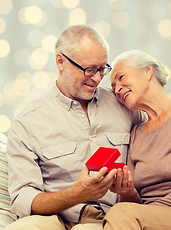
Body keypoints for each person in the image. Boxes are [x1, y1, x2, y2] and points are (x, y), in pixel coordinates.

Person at [5, 26, 145, 230]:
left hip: (110, 218)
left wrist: (128, 190)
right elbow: (23, 199)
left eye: (102, 69)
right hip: (53, 218)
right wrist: (77, 194)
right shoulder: (27, 122)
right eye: (89, 69)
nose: (97, 78)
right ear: (60, 62)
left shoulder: (125, 107)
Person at [103, 49, 171, 230]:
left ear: (147, 72)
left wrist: (144, 213)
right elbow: (135, 203)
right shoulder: (135, 134)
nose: (117, 88)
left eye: (121, 77)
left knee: (120, 212)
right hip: (147, 218)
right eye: (113, 86)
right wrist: (128, 192)